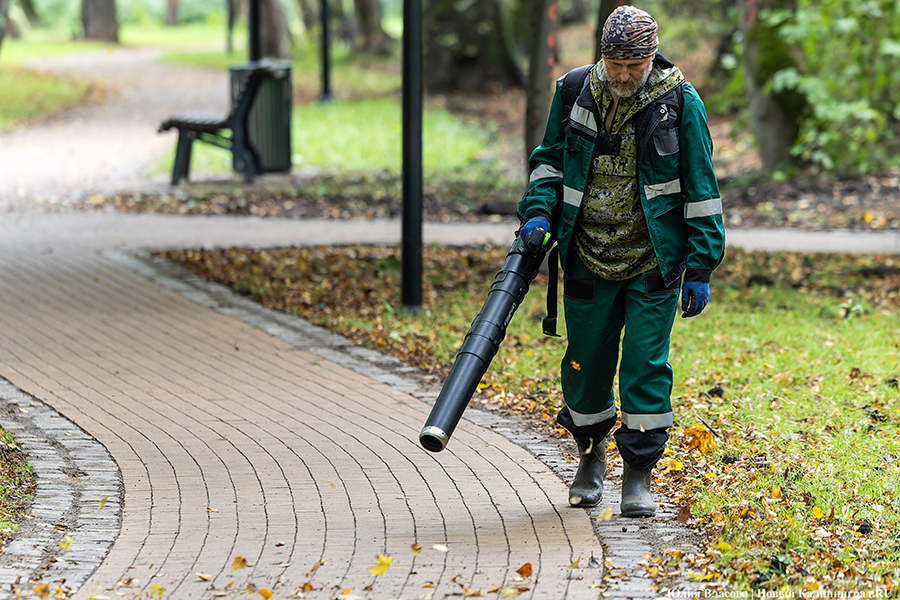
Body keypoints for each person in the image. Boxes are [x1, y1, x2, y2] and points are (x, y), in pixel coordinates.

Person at [517, 5, 725, 517]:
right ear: (602, 56)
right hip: (586, 255)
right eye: (616, 64)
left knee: (645, 366)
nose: (625, 75)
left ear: (650, 58)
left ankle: (638, 476)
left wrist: (699, 265)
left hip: (654, 258)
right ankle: (589, 457)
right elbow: (549, 158)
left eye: (635, 65)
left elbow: (701, 187)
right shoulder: (573, 91)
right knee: (585, 365)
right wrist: (538, 211)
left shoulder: (680, 100)